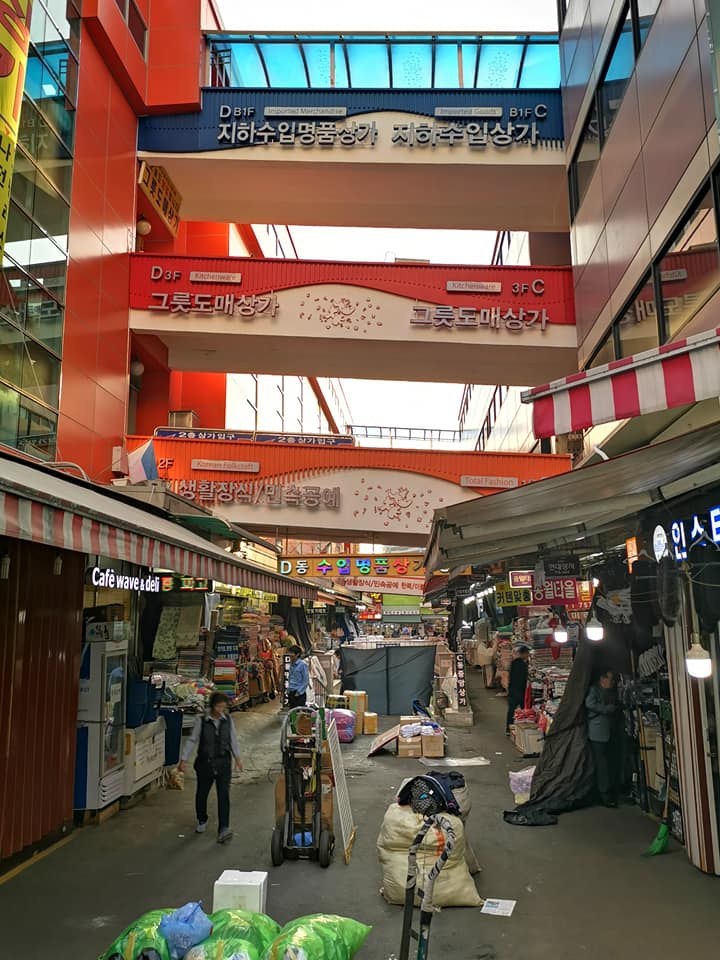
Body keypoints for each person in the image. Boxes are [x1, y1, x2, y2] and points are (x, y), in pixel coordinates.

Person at [178, 692, 243, 843]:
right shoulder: (201, 720)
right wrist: (183, 760)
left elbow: (232, 739)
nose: (221, 710)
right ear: (212, 706)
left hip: (223, 763)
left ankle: (224, 828)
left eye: (223, 707)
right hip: (204, 763)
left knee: (224, 795)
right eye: (218, 707)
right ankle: (202, 819)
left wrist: (237, 758)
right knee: (202, 793)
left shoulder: (228, 720)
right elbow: (192, 740)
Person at [585, 670, 620, 807]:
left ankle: (610, 790)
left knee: (609, 762)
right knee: (601, 764)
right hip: (597, 732)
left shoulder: (612, 691)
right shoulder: (594, 690)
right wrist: (606, 709)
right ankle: (604, 793)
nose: (612, 683)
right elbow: (589, 704)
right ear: (602, 679)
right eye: (610, 679)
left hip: (609, 731)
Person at [506, 645, 531, 733]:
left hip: (513, 689)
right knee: (524, 710)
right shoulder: (522, 664)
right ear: (523, 654)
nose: (528, 655)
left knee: (511, 710)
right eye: (527, 654)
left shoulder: (514, 663)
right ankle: (522, 729)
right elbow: (522, 679)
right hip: (520, 690)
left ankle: (509, 728)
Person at [287, 644, 309, 708]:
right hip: (291, 692)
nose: (290, 657)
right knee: (292, 712)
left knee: (299, 712)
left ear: (297, 654)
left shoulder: (303, 665)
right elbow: (290, 677)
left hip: (299, 694)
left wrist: (299, 692)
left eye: (292, 655)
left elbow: (305, 680)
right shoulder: (291, 665)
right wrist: (288, 689)